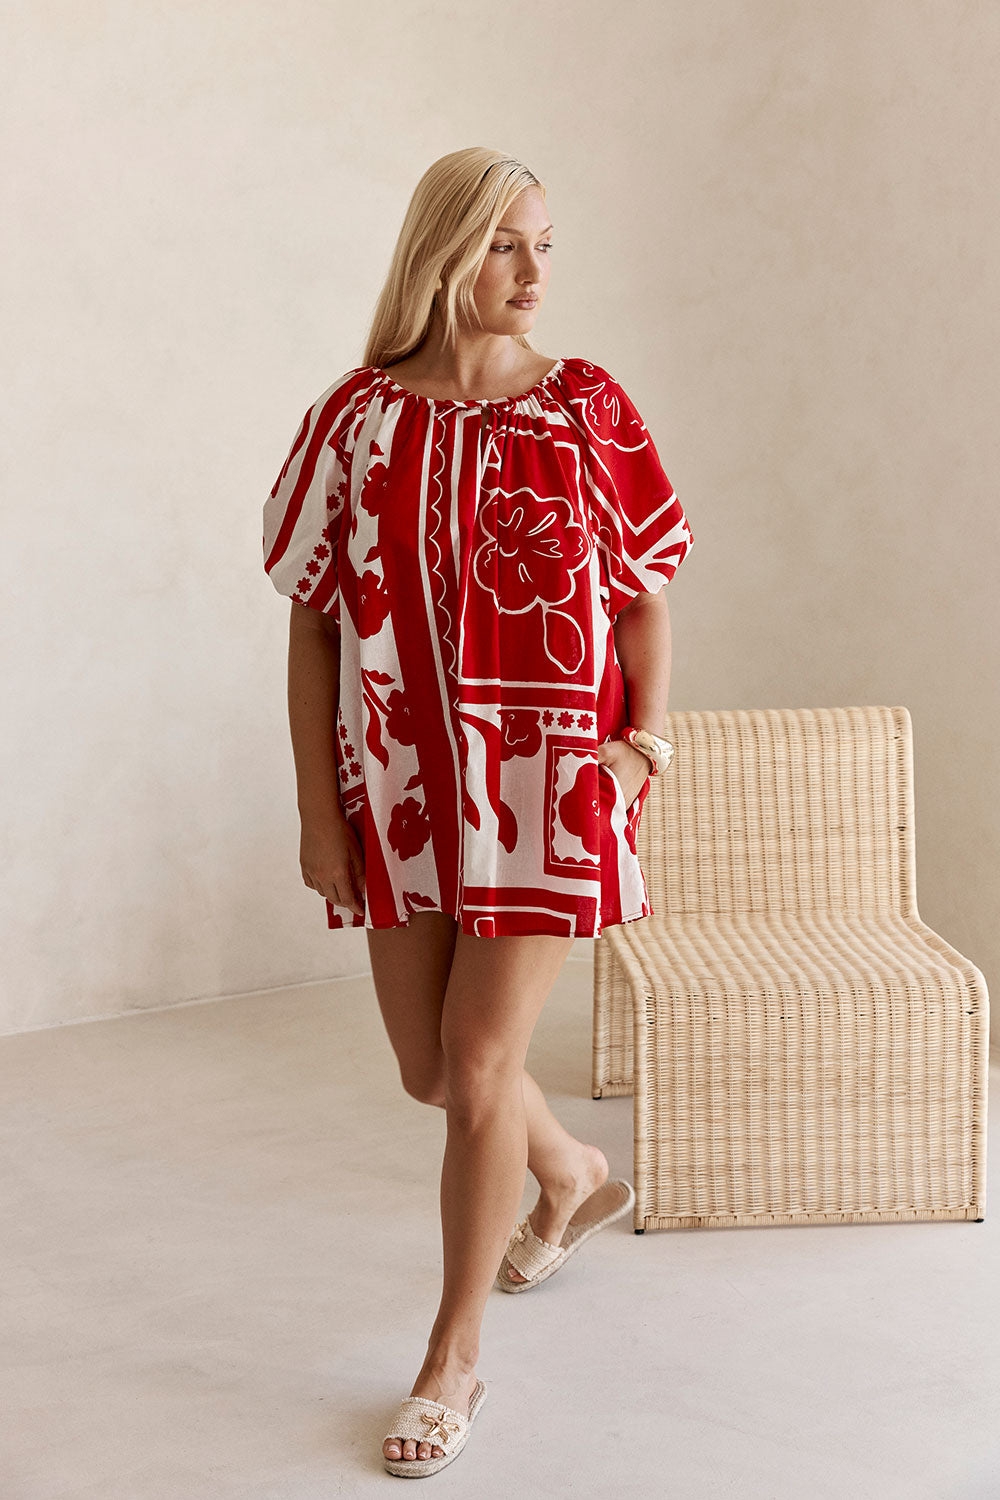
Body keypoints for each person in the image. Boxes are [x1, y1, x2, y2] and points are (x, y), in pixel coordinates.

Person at [262, 147, 694, 1478]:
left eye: (547, 246)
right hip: (400, 794)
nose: (534, 274)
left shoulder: (589, 411)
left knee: (484, 1068)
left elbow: (642, 598)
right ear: (446, 253)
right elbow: (317, 626)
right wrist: (317, 812)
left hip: (550, 795)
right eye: (508, 246)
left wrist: (640, 746)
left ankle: (452, 1359)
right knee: (433, 1071)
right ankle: (566, 1173)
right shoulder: (357, 419)